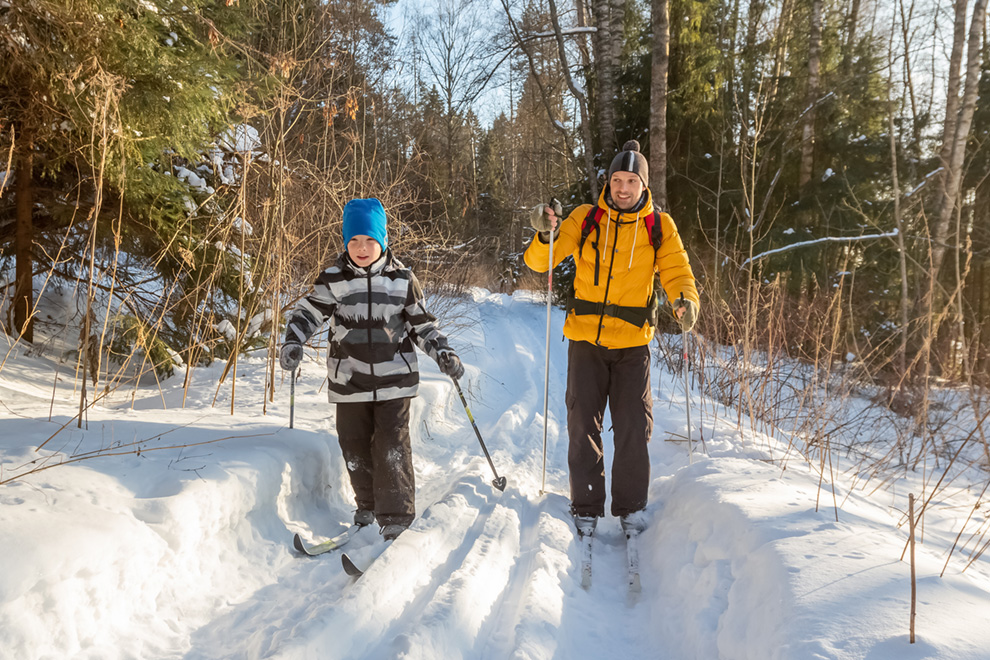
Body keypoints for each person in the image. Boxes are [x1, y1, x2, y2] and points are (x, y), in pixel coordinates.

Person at [524, 140, 699, 537]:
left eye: (632, 181)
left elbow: (677, 272)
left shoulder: (659, 226)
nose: (623, 188)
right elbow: (540, 262)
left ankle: (631, 508)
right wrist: (543, 233)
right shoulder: (587, 219)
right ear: (609, 181)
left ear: (643, 185)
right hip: (586, 341)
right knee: (583, 422)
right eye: (617, 179)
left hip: (633, 344)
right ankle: (585, 505)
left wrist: (685, 299)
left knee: (634, 426)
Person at [279, 198, 465, 541]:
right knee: (354, 444)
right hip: (349, 380)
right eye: (354, 241)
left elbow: (422, 325)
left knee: (390, 444)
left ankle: (395, 516)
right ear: (346, 242)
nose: (362, 248)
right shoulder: (333, 279)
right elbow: (308, 313)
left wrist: (442, 352)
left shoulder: (401, 280)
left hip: (395, 380)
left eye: (369, 241)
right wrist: (293, 341)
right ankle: (367, 505)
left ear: (383, 241)